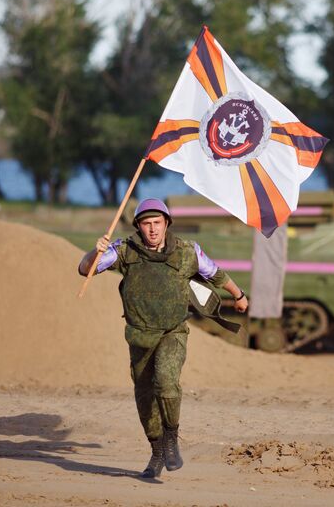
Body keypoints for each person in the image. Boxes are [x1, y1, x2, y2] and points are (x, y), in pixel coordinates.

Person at [78, 198, 248, 478]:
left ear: (167, 224)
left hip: (173, 332)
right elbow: (87, 269)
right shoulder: (124, 250)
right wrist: (92, 252)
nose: (153, 229)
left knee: (166, 381)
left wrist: (238, 295)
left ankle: (171, 438)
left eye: (157, 223)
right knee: (144, 396)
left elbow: (215, 274)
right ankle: (156, 451)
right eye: (147, 223)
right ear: (139, 226)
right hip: (139, 336)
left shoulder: (186, 252)